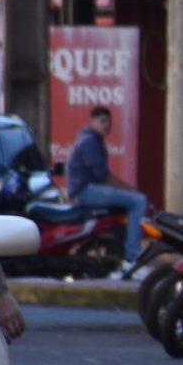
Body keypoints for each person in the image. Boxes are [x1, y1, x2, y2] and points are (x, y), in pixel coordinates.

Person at [64, 105, 148, 278]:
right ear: (92, 121)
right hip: (84, 191)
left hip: (88, 189)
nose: (106, 125)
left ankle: (121, 248)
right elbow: (104, 176)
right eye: (102, 121)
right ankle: (133, 258)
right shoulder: (89, 141)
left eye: (109, 122)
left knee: (133, 199)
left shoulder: (92, 139)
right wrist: (130, 190)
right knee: (139, 201)